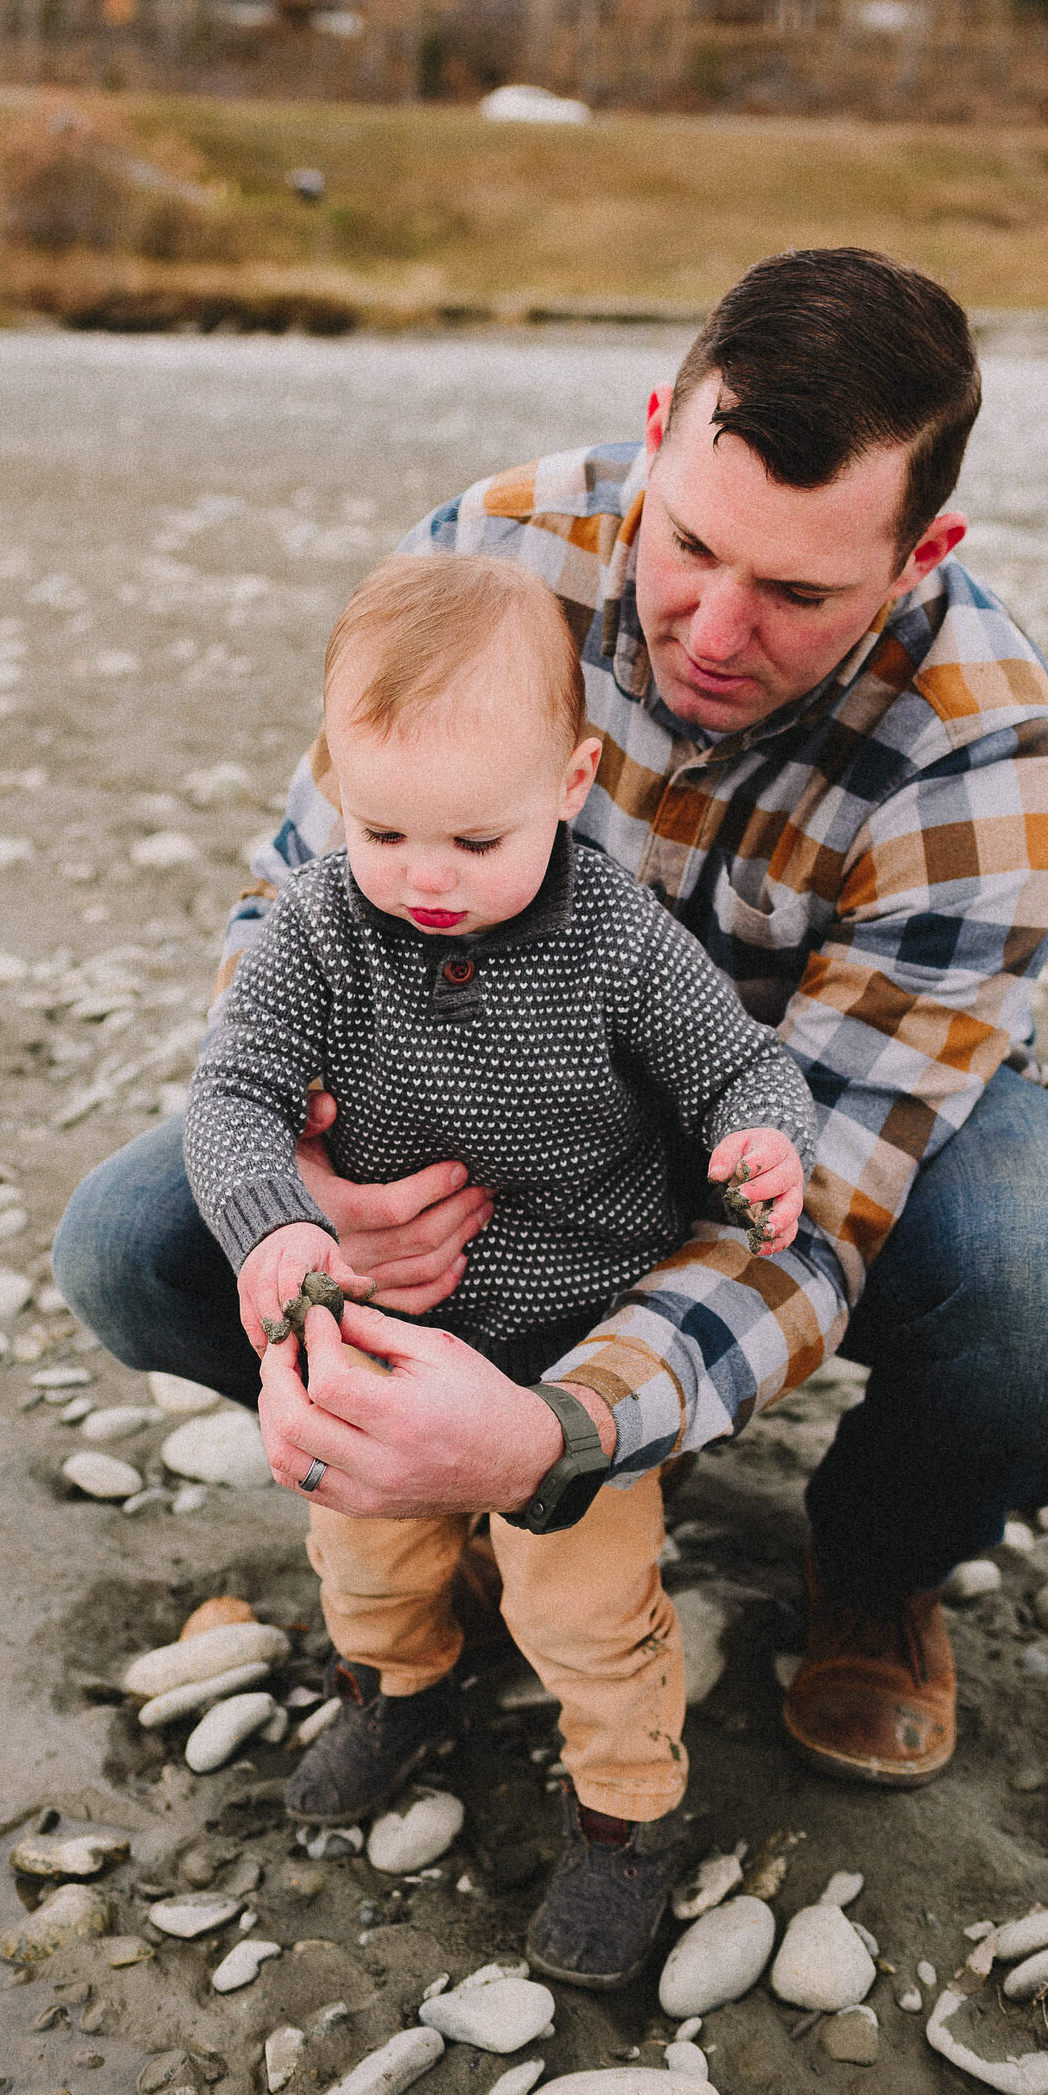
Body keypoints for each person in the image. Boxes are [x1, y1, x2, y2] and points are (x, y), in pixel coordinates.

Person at [54, 246, 1048, 1959]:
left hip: (790, 1105)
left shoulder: (986, 752)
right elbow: (287, 911)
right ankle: (422, 1488)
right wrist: (297, 1181)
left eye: (797, 593)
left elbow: (828, 1213)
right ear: (658, 435)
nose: (712, 632)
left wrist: (565, 1430)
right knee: (135, 1242)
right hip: (474, 1088)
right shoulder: (487, 553)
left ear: (917, 552)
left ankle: (867, 1553)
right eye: (688, 543)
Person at [183, 549, 818, 1985]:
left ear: (571, 780)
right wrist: (278, 1219)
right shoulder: (316, 927)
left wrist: (761, 1142)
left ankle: (623, 1817)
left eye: (474, 842)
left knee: (585, 1611)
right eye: (383, 827)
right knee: (361, 1547)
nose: (424, 877)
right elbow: (231, 1096)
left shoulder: (614, 937)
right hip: (382, 1337)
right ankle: (398, 1686)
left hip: (569, 1340)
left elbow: (734, 1067)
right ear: (334, 777)